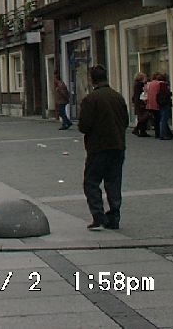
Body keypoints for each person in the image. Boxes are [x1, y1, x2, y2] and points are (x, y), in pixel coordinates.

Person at [77, 64, 129, 230]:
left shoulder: (90, 99)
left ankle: (98, 215)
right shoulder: (118, 97)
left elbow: (84, 126)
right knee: (113, 182)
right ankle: (114, 216)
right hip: (118, 145)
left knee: (91, 181)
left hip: (98, 147)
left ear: (92, 80)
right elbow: (126, 121)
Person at [131, 72, 150, 136]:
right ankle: (137, 129)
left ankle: (142, 131)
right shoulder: (140, 85)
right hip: (141, 102)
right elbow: (142, 94)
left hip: (138, 102)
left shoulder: (136, 84)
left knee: (142, 116)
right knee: (144, 116)